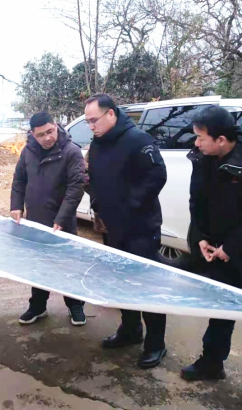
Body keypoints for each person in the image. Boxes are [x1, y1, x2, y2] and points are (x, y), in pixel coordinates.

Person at [180, 105, 242, 410]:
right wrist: (201, 237)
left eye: (201, 137)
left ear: (221, 139)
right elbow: (196, 202)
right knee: (220, 308)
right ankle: (212, 362)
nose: (196, 143)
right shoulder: (204, 160)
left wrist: (231, 248)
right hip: (218, 250)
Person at [85, 93, 168, 369]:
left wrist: (131, 204)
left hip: (141, 228)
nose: (91, 126)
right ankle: (131, 329)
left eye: (94, 120)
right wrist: (97, 203)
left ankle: (156, 343)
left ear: (111, 114)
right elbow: (94, 179)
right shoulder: (97, 145)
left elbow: (157, 176)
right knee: (121, 282)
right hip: (113, 228)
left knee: (147, 286)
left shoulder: (138, 140)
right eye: (88, 122)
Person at [10, 112, 87, 326]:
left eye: (50, 131)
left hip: (62, 222)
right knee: (38, 265)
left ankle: (75, 305)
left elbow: (76, 187)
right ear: (33, 134)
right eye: (41, 135)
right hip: (36, 219)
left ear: (56, 126)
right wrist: (16, 206)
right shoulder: (28, 151)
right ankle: (38, 306)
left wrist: (61, 218)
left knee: (67, 265)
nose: (47, 138)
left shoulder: (71, 152)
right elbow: (19, 180)